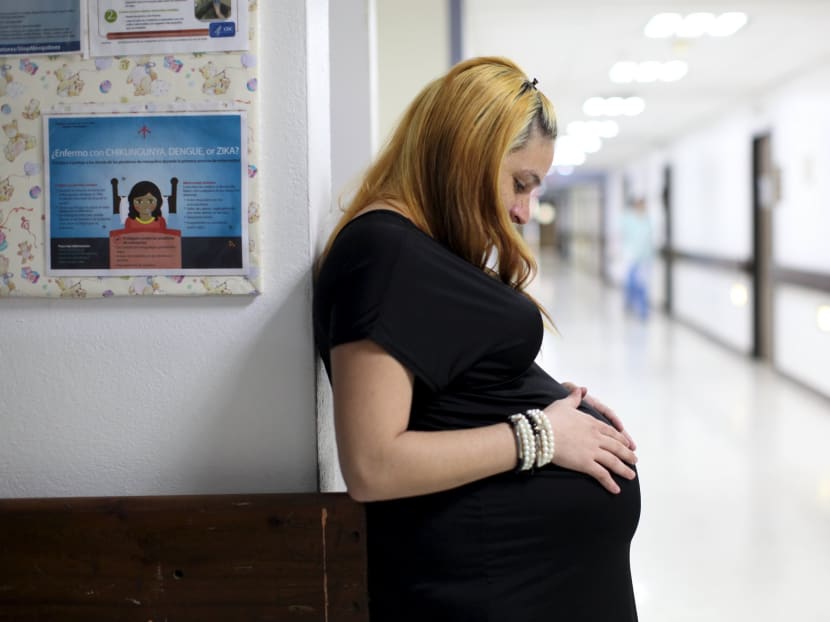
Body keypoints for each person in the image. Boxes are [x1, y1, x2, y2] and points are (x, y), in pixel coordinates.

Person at [313, 56, 640, 621]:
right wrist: (540, 433)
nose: (522, 210)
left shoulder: (416, 249)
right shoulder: (383, 253)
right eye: (521, 183)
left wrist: (511, 388)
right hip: (483, 591)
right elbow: (372, 463)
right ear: (469, 149)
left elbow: (435, 392)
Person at [622, 197, 654, 319]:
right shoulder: (629, 220)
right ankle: (629, 303)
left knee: (643, 286)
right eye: (639, 206)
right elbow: (624, 236)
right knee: (631, 284)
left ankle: (643, 311)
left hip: (645, 260)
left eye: (643, 206)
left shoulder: (648, 222)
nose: (641, 208)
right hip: (632, 258)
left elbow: (649, 242)